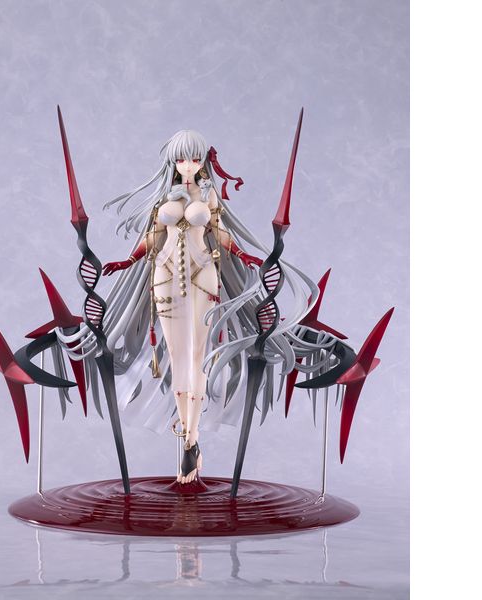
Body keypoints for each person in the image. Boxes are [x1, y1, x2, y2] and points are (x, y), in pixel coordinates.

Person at [56, 129, 324, 484]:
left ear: (203, 160)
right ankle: (188, 436)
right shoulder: (163, 196)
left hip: (203, 278)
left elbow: (220, 233)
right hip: (164, 278)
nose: (188, 165)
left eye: (194, 158)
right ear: (172, 160)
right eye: (181, 158)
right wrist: (127, 262)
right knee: (177, 356)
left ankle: (190, 439)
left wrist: (244, 255)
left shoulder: (208, 194)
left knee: (197, 356)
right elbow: (154, 237)